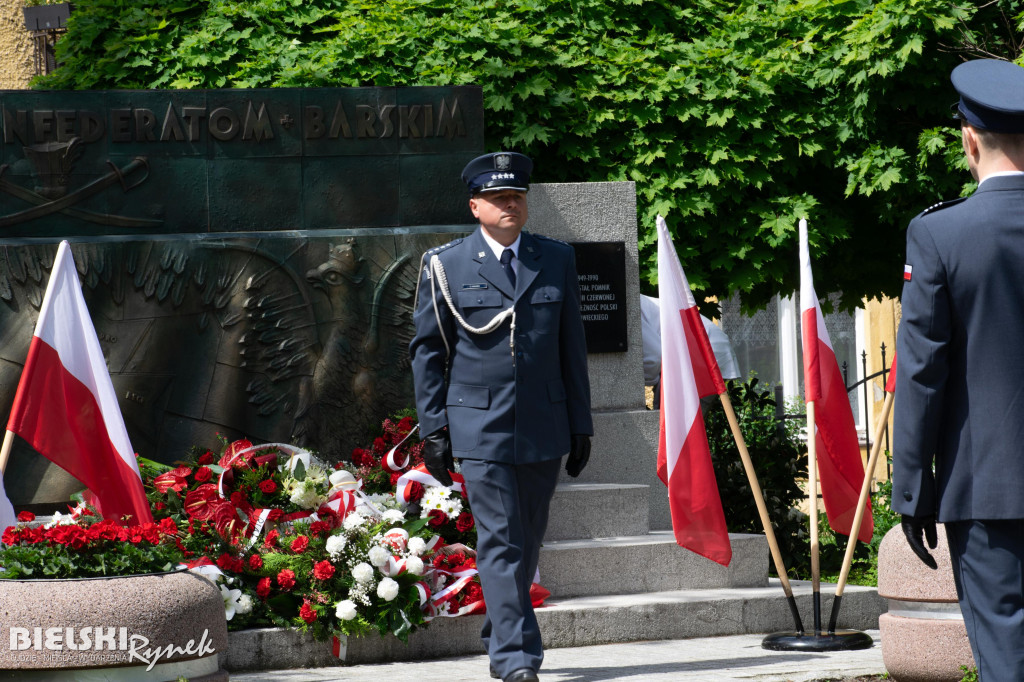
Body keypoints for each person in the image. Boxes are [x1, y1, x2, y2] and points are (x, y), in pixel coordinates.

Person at [409, 151, 593, 682]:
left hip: (544, 423)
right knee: (502, 540)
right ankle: (516, 660)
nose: (509, 204)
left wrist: (580, 422)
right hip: (479, 425)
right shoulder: (446, 265)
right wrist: (435, 428)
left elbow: (570, 346)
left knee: (528, 538)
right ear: (475, 206)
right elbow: (428, 352)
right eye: (497, 198)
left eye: (516, 196)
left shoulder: (553, 259)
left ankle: (500, 632)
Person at [893, 58, 1024, 681]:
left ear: (969, 139)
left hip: (987, 491)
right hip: (987, 492)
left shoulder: (941, 234)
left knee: (1005, 660)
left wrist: (913, 492)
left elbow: (920, 374)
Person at [639, 294, 741, 408]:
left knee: (673, 421)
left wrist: (637, 385)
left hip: (701, 348)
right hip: (699, 346)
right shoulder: (631, 301)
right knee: (667, 419)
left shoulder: (629, 307)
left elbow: (654, 359)